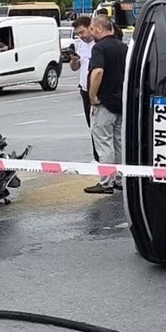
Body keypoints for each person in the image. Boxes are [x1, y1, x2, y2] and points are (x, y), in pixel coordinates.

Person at [84, 13, 128, 195]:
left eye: (93, 29)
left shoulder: (99, 48)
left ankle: (105, 182)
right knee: (118, 142)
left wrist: (92, 96)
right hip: (120, 101)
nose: (92, 32)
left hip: (105, 102)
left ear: (100, 28)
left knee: (103, 142)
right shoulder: (123, 47)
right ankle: (120, 179)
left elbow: (97, 73)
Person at [67, 15, 98, 161]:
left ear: (90, 27)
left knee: (99, 127)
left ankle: (99, 157)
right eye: (78, 34)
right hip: (84, 90)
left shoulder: (98, 44)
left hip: (96, 91)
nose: (81, 36)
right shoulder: (81, 44)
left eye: (82, 32)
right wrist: (73, 61)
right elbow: (76, 67)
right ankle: (96, 155)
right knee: (91, 126)